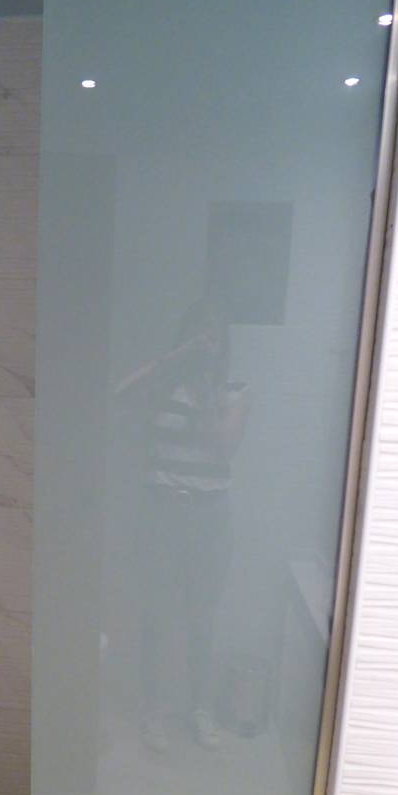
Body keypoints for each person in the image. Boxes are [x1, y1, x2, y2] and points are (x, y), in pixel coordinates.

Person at [117, 292, 248, 751]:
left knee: (202, 617)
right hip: (161, 510)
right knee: (156, 613)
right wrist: (173, 361)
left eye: (213, 335)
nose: (205, 342)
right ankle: (153, 711)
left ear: (223, 343)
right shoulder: (163, 385)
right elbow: (118, 395)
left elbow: (224, 448)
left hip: (210, 516)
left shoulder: (233, 389)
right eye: (198, 332)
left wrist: (205, 391)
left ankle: (199, 709)